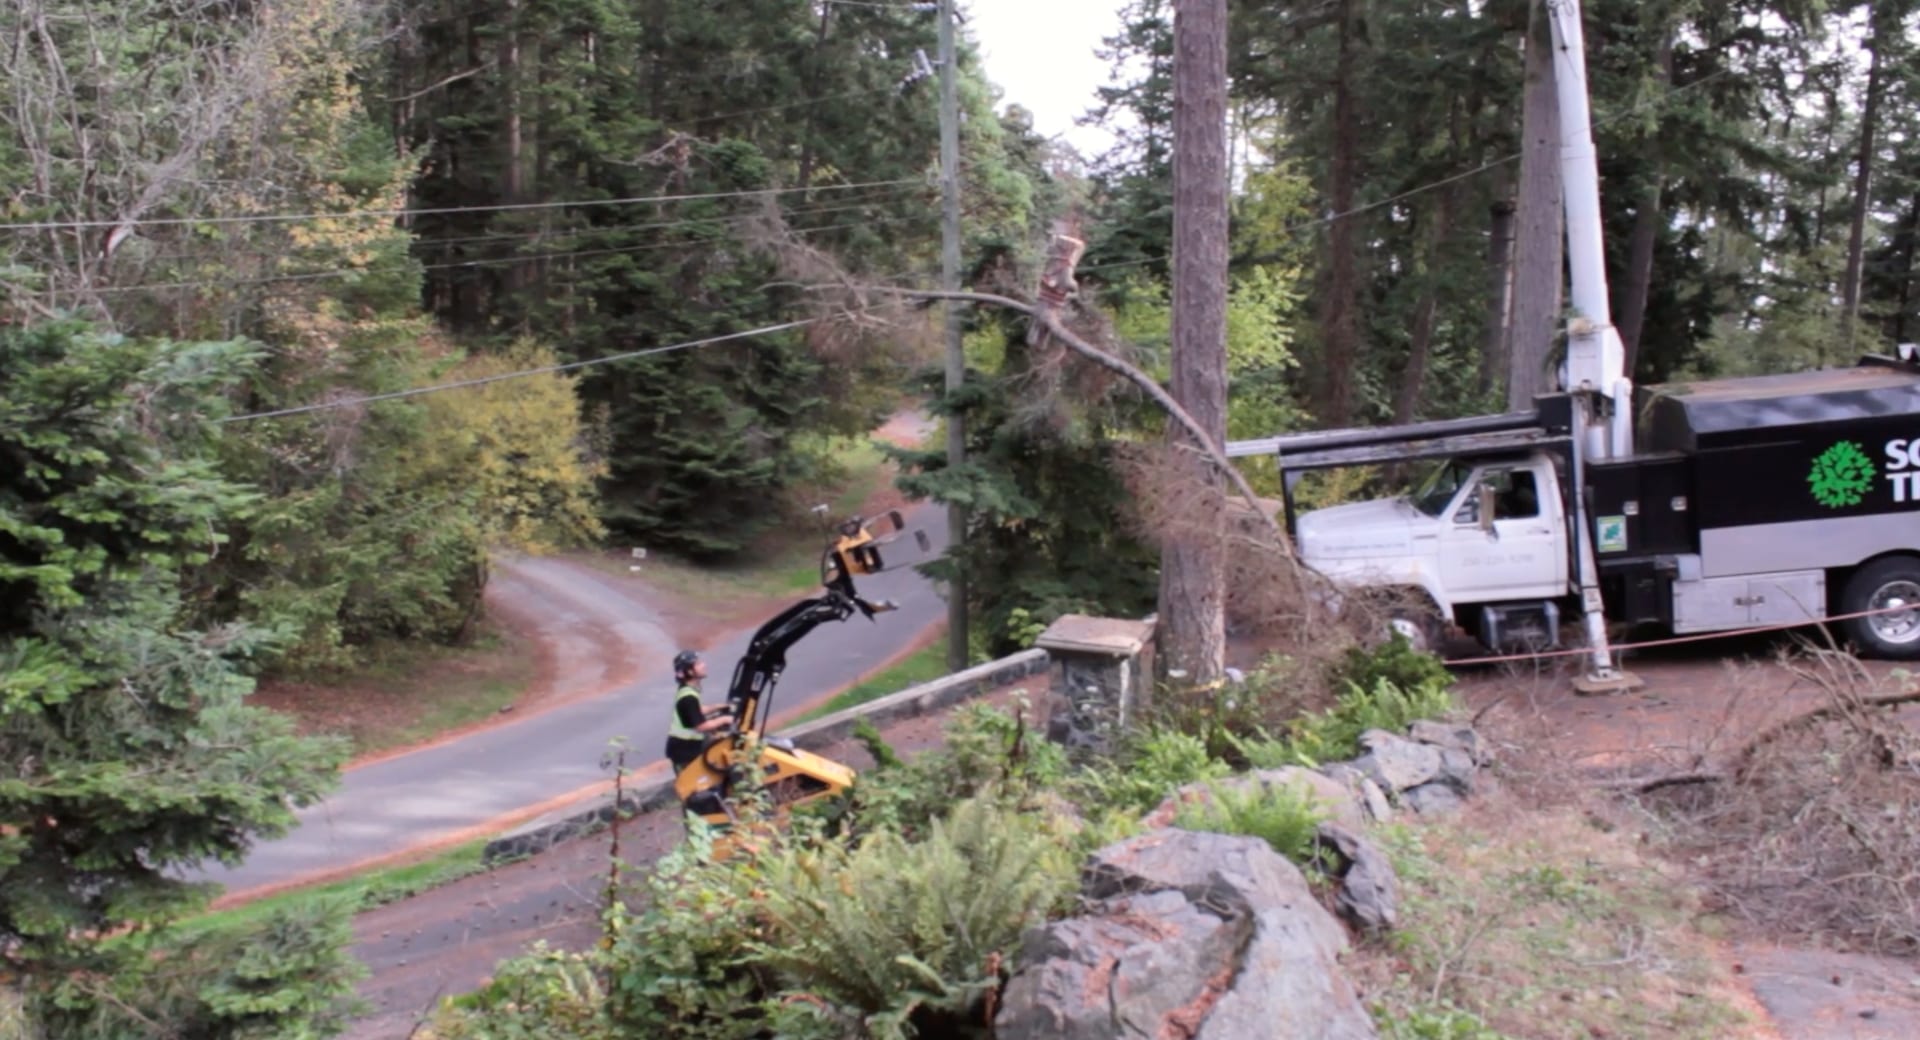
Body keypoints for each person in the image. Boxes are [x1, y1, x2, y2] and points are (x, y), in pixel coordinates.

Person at [665, 650, 733, 775]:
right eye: (698, 664)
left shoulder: (687, 690)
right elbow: (701, 726)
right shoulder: (688, 697)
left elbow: (696, 711)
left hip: (683, 746)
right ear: (690, 672)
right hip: (685, 751)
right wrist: (724, 720)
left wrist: (718, 706)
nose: (704, 665)